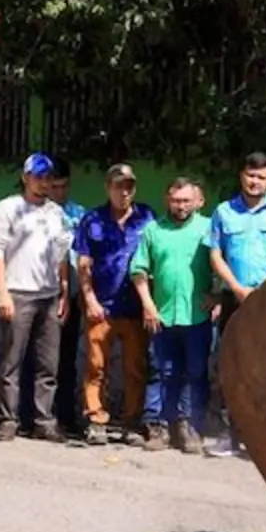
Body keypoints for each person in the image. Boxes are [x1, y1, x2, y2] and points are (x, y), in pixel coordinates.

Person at [205, 152, 266, 457]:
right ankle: (227, 434)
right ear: (241, 175)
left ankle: (260, 438)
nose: (254, 181)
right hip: (235, 299)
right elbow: (216, 255)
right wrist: (235, 287)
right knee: (231, 365)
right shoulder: (223, 212)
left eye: (261, 177)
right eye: (250, 175)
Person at [0, 152, 72, 443]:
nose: (44, 182)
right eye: (38, 176)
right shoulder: (8, 208)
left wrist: (65, 292)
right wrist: (2, 292)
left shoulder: (56, 213)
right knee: (11, 362)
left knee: (48, 364)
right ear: (25, 177)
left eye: (48, 176)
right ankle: (8, 420)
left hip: (49, 295)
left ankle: (44, 420)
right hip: (17, 292)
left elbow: (62, 255)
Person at [130, 177, 215, 454]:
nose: (181, 206)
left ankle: (190, 426)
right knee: (160, 372)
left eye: (186, 201)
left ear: (198, 202)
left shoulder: (209, 228)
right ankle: (158, 426)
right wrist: (148, 304)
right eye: (176, 200)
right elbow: (139, 270)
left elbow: (223, 263)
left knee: (196, 373)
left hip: (197, 316)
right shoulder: (153, 230)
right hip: (162, 315)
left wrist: (218, 296)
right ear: (168, 200)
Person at [74, 163, 157, 446]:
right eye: (118, 185)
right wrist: (89, 299)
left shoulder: (147, 218)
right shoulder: (92, 220)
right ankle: (96, 419)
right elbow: (83, 263)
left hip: (135, 307)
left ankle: (132, 422)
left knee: (136, 367)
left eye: (129, 186)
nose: (124, 192)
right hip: (102, 306)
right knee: (96, 366)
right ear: (107, 187)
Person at [45, 158, 86, 433]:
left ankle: (66, 416)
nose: (59, 192)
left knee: (67, 358)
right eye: (54, 186)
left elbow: (84, 255)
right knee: (41, 358)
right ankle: (37, 414)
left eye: (63, 186)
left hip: (71, 294)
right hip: (41, 293)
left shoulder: (79, 215)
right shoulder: (35, 213)